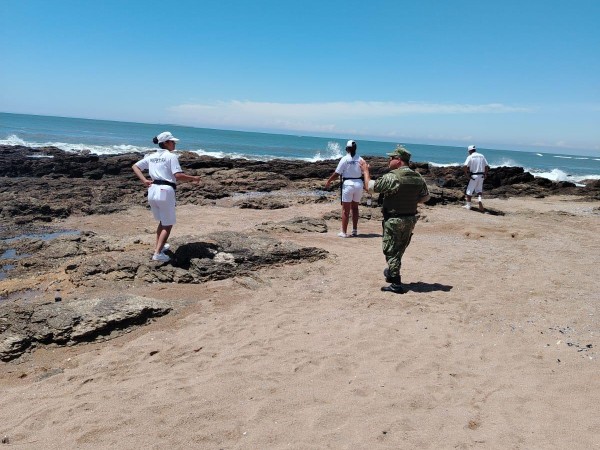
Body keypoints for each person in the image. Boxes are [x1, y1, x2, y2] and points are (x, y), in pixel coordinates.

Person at [360, 145, 430, 294]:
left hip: (394, 218)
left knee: (390, 250)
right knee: (399, 249)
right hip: (410, 218)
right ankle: (392, 273)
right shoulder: (418, 177)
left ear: (398, 160)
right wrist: (410, 201)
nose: (389, 160)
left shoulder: (393, 176)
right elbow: (426, 196)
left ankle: (396, 283)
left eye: (391, 158)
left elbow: (370, 187)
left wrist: (366, 171)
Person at [132, 131, 201, 262]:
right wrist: (194, 178)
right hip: (165, 190)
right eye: (172, 141)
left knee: (163, 221)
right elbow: (178, 176)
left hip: (152, 190)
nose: (174, 144)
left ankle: (159, 247)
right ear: (165, 143)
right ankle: (158, 254)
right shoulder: (171, 156)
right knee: (168, 224)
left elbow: (135, 166)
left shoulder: (151, 156)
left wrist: (144, 180)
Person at [325, 140, 365, 237]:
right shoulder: (361, 159)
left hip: (348, 185)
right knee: (355, 208)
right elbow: (366, 172)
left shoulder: (344, 159)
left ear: (347, 149)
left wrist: (329, 181)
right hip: (359, 184)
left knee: (345, 210)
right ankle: (354, 230)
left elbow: (337, 173)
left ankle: (343, 232)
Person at [463, 145, 489, 211]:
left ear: (470, 150)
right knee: (479, 190)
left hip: (474, 176)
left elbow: (465, 166)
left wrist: (466, 174)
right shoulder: (482, 156)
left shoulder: (470, 157)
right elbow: (486, 166)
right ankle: (479, 200)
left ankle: (468, 205)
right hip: (481, 176)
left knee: (469, 191)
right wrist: (485, 174)